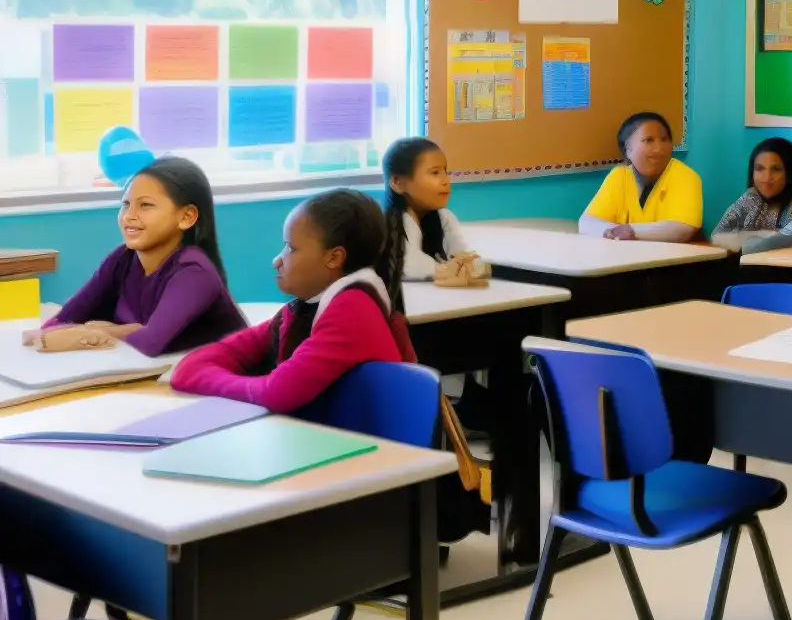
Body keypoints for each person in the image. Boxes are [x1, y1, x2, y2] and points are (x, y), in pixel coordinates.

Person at [170, 188, 413, 413]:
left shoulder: (353, 310)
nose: (277, 260)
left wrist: (209, 379)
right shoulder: (304, 307)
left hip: (376, 452)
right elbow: (191, 368)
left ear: (334, 258)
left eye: (291, 248)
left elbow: (275, 393)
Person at [31, 156, 243, 356]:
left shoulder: (194, 272)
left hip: (221, 379)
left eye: (145, 205)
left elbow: (150, 342)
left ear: (186, 217)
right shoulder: (123, 258)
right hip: (158, 372)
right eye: (125, 204)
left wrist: (105, 331)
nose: (129, 216)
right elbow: (66, 317)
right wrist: (50, 333)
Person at [581, 111, 703, 242]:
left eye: (664, 139)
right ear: (628, 149)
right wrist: (610, 232)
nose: (659, 148)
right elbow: (587, 221)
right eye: (648, 140)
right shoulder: (619, 176)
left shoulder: (685, 176)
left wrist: (631, 230)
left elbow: (683, 229)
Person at [382, 136, 487, 286]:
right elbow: (409, 264)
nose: (445, 180)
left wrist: (469, 264)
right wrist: (448, 269)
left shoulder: (444, 217)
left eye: (445, 171)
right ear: (398, 183)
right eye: (435, 173)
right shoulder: (393, 222)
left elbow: (463, 252)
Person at [709, 137, 792, 254]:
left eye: (776, 169)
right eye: (759, 169)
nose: (766, 178)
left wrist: (741, 238)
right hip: (755, 268)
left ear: (790, 173)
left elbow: (785, 238)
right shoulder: (752, 197)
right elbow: (717, 235)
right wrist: (762, 235)